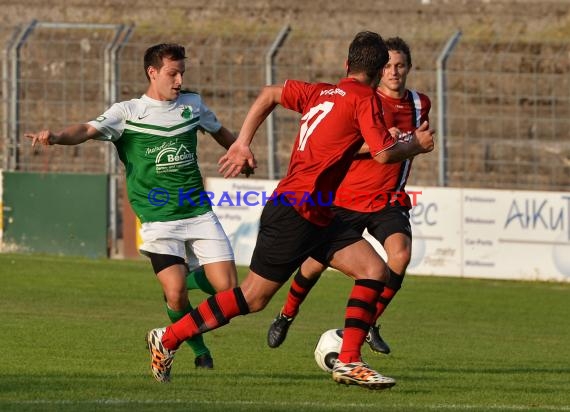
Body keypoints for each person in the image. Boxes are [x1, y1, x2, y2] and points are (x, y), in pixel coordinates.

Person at [145, 31, 435, 389]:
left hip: (319, 212)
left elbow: (269, 93)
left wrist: (242, 142)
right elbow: (383, 153)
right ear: (377, 73)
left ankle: (349, 361)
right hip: (296, 211)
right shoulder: (365, 99)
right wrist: (416, 145)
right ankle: (169, 338)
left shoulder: (320, 91)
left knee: (374, 270)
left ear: (347, 64)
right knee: (252, 298)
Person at [25, 43, 243, 370]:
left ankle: (183, 298)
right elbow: (85, 130)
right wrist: (56, 136)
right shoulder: (127, 113)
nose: (179, 80)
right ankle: (199, 352)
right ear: (152, 72)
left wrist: (241, 151)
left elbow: (220, 132)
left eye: (182, 72)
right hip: (157, 219)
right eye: (172, 73)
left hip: (198, 212)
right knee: (175, 295)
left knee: (229, 293)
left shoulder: (192, 105)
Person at [267, 36, 430, 355]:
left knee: (401, 255)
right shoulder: (362, 99)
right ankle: (286, 314)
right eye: (388, 66)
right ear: (378, 70)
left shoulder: (420, 103)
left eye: (400, 66)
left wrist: (408, 144)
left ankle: (368, 325)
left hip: (388, 200)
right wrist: (385, 144)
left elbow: (410, 145)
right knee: (313, 265)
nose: (394, 72)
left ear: (409, 68)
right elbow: (341, 146)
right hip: (347, 197)